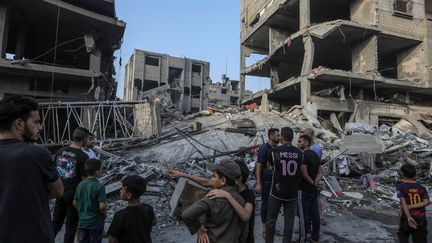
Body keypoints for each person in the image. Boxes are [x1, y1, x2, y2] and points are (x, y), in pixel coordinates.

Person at [0, 95, 63, 243]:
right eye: (36, 122)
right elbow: (58, 191)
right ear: (19, 124)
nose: (40, 127)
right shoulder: (38, 155)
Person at [168, 159, 255, 242]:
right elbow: (244, 228)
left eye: (214, 176)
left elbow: (186, 215)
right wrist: (183, 174)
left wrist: (198, 229)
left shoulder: (213, 197)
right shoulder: (240, 199)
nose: (212, 179)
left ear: (224, 180)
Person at [53, 127, 90, 243]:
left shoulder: (60, 152)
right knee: (71, 227)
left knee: (56, 223)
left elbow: (55, 172)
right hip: (73, 195)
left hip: (60, 191)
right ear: (84, 140)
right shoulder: (83, 156)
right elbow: (84, 179)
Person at [265, 127, 303, 243]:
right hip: (292, 192)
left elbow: (269, 166)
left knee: (271, 220)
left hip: (276, 191)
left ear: (282, 137)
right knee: (289, 221)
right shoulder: (300, 153)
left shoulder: (274, 151)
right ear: (292, 138)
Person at [206, 159, 256, 243]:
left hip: (245, 239)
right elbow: (207, 182)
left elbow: (246, 216)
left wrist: (227, 196)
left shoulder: (248, 195)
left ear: (239, 178)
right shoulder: (230, 189)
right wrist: (184, 175)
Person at [108, 175, 157, 243]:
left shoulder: (119, 216)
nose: (120, 191)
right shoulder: (148, 208)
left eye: (122, 189)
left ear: (128, 195)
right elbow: (154, 223)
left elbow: (112, 240)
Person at [74, 159, 107, 243]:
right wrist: (104, 214)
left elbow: (74, 202)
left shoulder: (80, 185)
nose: (101, 171)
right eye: (101, 169)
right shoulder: (99, 186)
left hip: (82, 221)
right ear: (97, 172)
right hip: (95, 222)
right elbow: (102, 207)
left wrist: (82, 211)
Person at [298, 135, 324, 243]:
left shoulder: (303, 155)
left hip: (304, 189)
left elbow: (303, 172)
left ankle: (303, 238)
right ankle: (315, 238)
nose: (298, 143)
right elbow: (321, 172)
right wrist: (316, 181)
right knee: (315, 214)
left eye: (300, 141)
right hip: (315, 190)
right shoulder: (316, 155)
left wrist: (312, 182)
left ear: (306, 143)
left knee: (304, 216)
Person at [396, 164, 430, 243]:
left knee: (403, 236)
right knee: (420, 239)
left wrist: (409, 217)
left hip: (406, 217)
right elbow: (427, 202)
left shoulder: (401, 186)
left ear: (402, 174)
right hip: (421, 218)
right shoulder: (421, 187)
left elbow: (404, 204)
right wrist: (412, 206)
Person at [255, 128, 280, 235]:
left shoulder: (277, 149)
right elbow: (259, 165)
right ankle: (264, 227)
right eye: (277, 135)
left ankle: (272, 226)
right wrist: (258, 183)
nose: (279, 137)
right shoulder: (264, 148)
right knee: (265, 204)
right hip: (266, 182)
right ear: (271, 136)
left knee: (274, 205)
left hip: (275, 182)